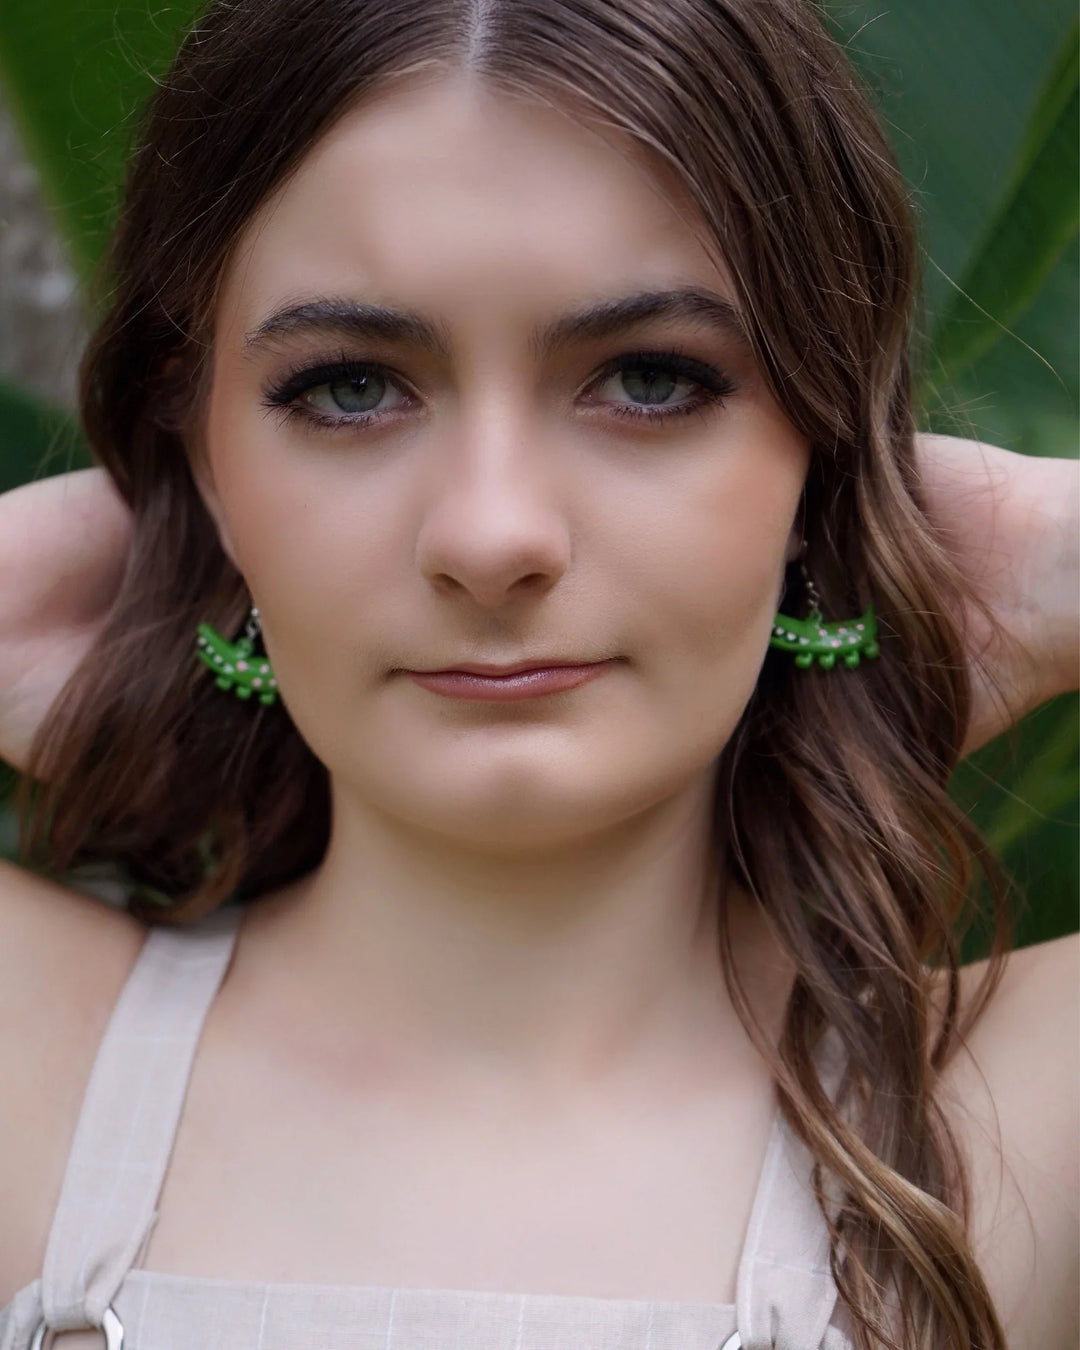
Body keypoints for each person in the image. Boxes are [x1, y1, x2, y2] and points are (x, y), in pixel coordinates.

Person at [0, 0, 1076, 1346]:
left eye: (648, 378)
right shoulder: (28, 1051)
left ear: (823, 445)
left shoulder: (1018, 1107)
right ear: (207, 454)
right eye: (347, 389)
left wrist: (1047, 568)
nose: (492, 534)